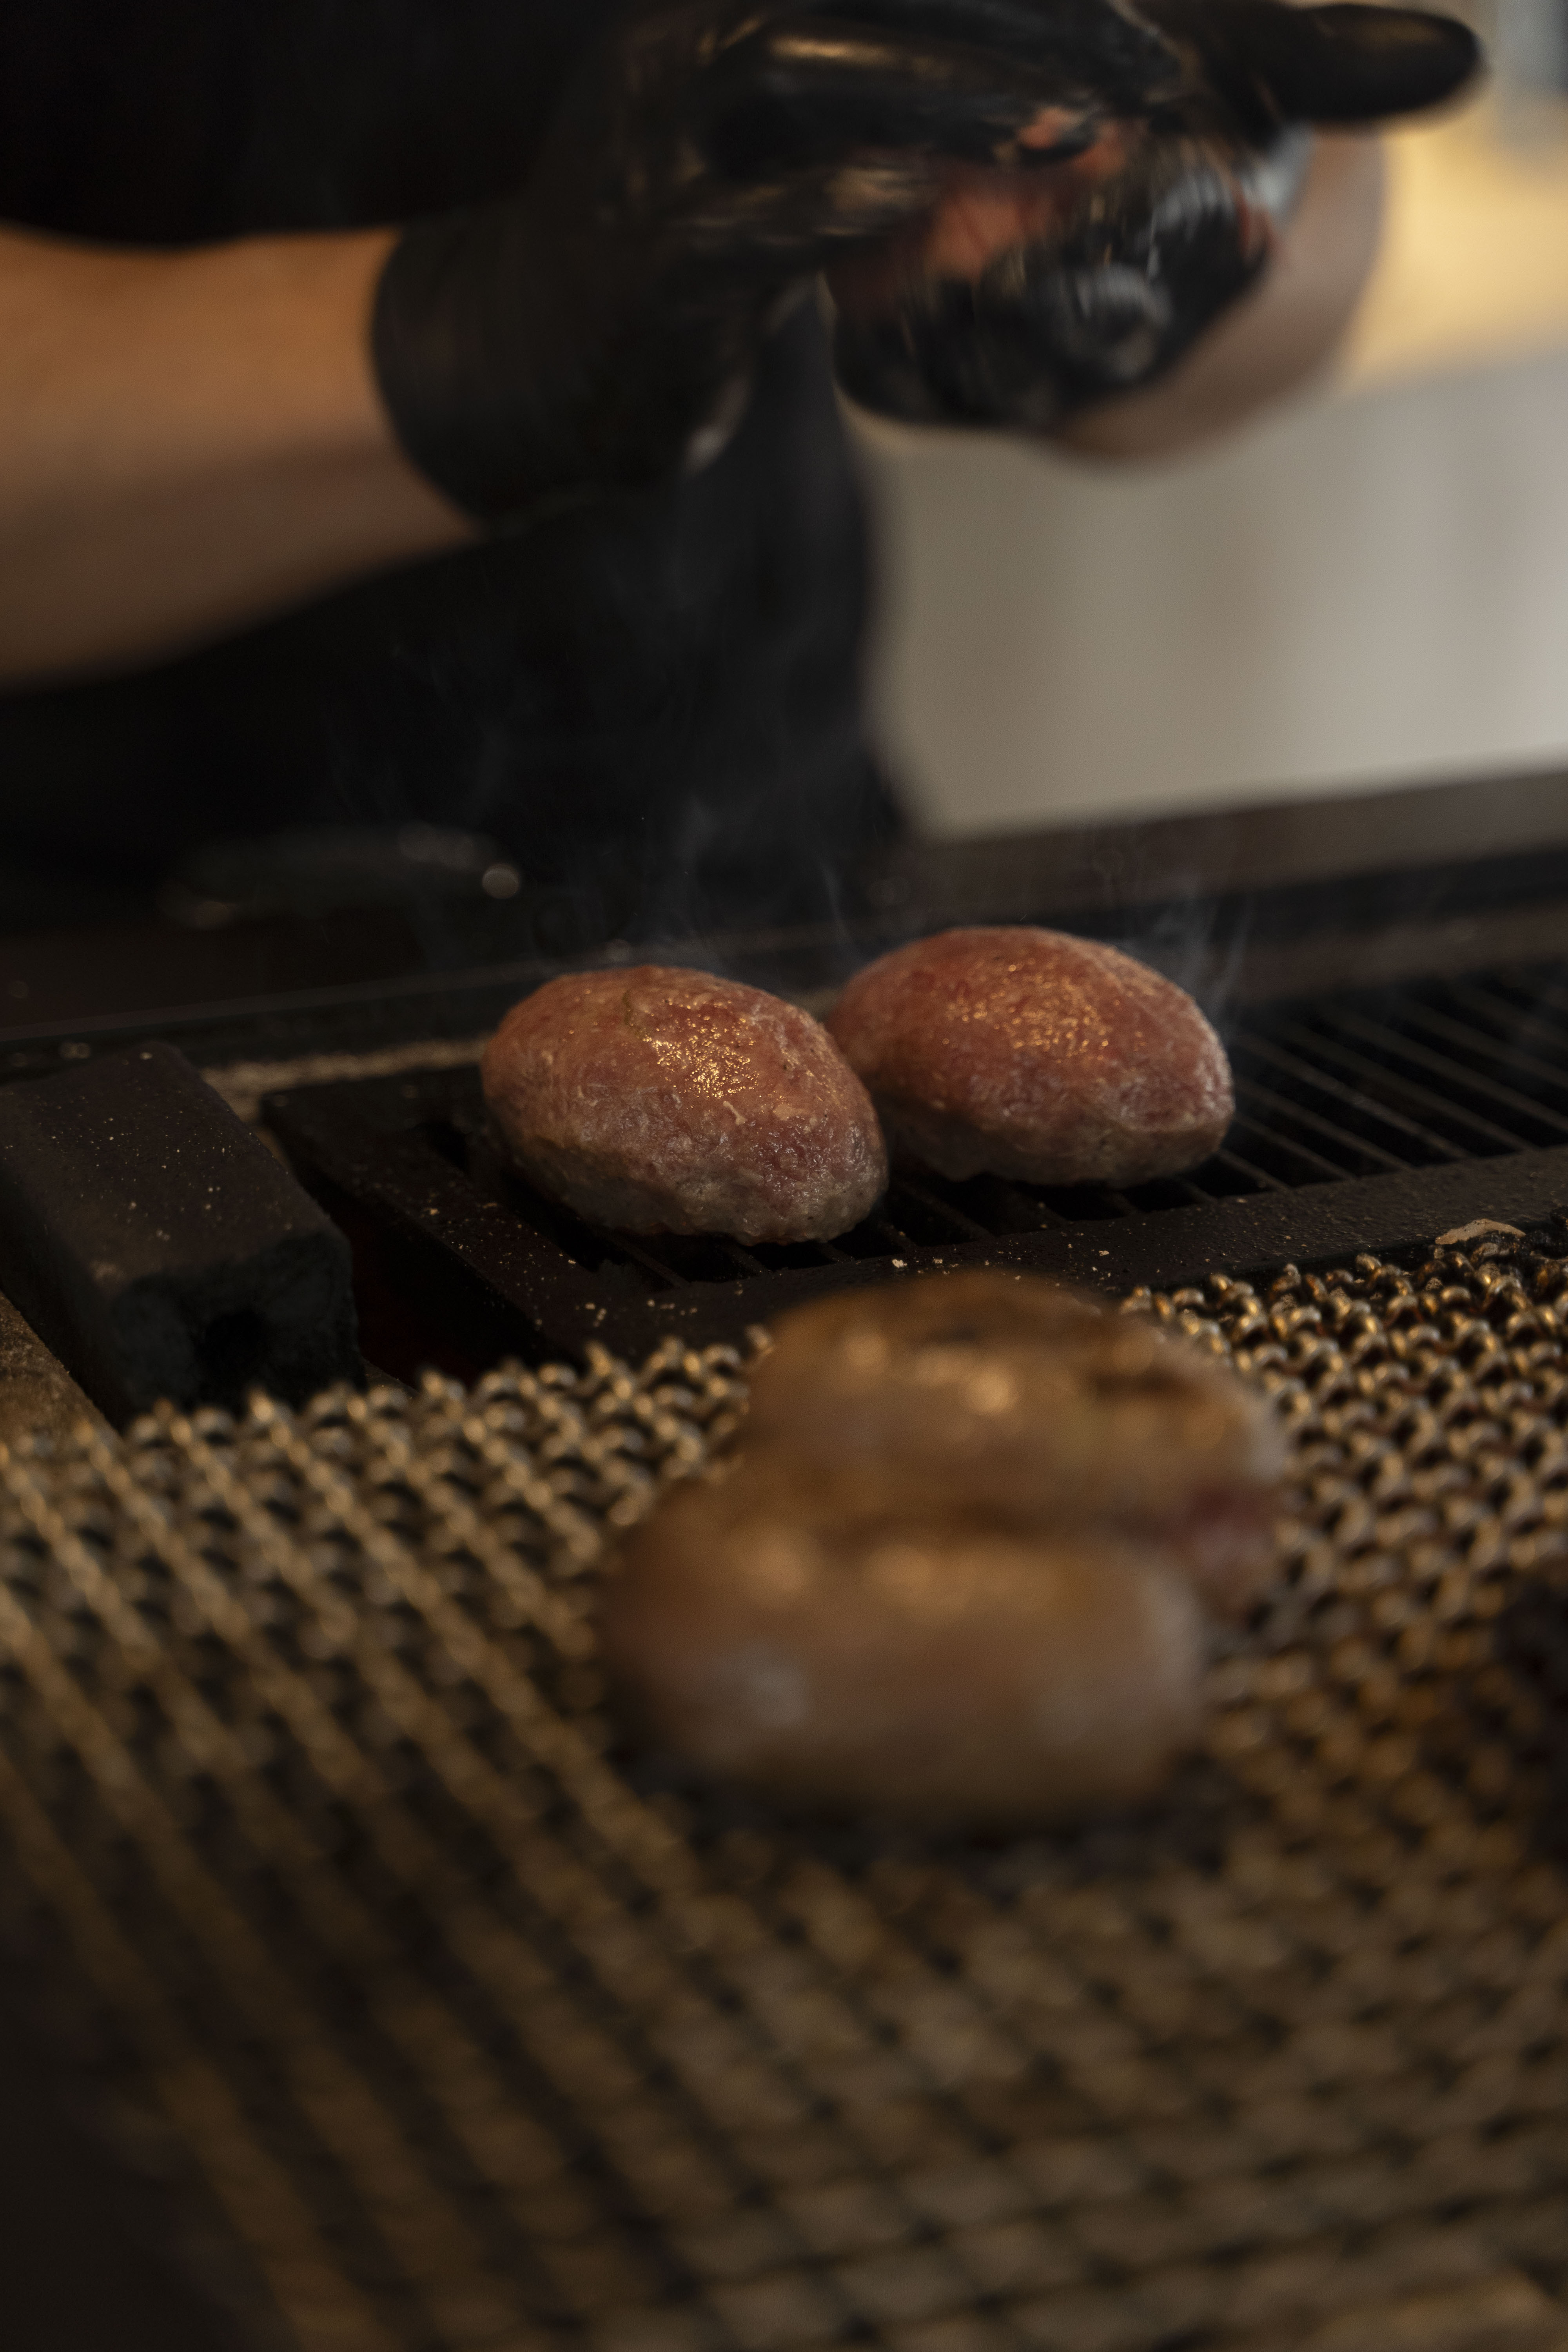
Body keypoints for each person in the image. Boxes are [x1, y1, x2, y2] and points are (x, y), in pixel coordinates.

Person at [0, 0, 1475, 947]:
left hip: (773, 889)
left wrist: (1161, 213)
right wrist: (461, 342)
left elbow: (1328, 209)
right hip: (63, 961)